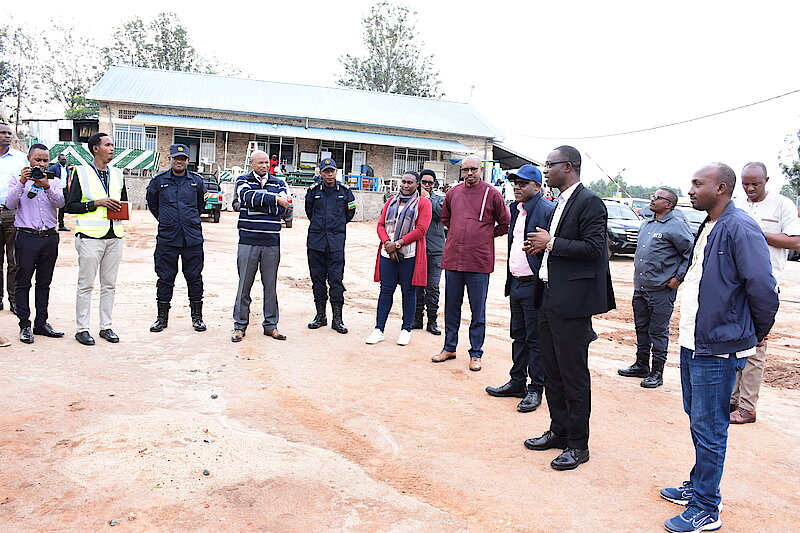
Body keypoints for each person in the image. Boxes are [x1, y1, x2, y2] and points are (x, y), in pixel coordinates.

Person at [659, 163, 778, 533]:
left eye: (698, 184)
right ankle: (699, 486)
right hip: (694, 342)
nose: (690, 190)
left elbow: (762, 286)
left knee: (710, 426)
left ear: (721, 188)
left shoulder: (740, 227)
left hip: (719, 347)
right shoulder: (709, 224)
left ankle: (707, 507)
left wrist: (756, 331)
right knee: (698, 418)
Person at [523, 145, 615, 471]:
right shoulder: (559, 202)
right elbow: (561, 248)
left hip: (573, 304)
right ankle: (559, 430)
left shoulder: (590, 202)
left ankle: (578, 445)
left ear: (568, 167)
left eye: (550, 164)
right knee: (552, 371)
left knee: (573, 375)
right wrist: (541, 248)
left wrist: (550, 243)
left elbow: (594, 249)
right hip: (549, 297)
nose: (545, 169)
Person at [728, 161, 800, 424]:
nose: (749, 188)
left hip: (763, 289)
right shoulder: (737, 204)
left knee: (756, 347)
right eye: (745, 183)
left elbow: (795, 240)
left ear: (766, 180)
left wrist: (757, 234)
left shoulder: (782, 205)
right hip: (735, 286)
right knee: (734, 345)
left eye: (754, 184)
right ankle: (732, 399)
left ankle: (748, 407)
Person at [486, 165, 554, 412]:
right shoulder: (517, 209)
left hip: (535, 285)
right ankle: (517, 382)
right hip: (517, 282)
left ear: (537, 186)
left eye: (523, 183)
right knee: (519, 336)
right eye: (515, 182)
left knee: (536, 340)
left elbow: (550, 249)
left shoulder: (546, 210)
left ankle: (536, 389)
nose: (517, 187)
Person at [432, 155, 510, 371]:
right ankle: (449, 347)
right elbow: (445, 218)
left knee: (478, 309)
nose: (469, 173)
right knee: (451, 307)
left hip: (478, 261)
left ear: (481, 170)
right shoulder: (453, 193)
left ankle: (476, 353)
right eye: (465, 170)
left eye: (473, 169)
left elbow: (505, 223)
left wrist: (484, 235)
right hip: (454, 259)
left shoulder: (492, 194)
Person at [618, 187, 692, 388]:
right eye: (653, 196)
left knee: (658, 331)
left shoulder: (676, 226)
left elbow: (689, 253)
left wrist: (677, 278)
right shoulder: (647, 223)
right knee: (641, 328)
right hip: (641, 287)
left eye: (657, 198)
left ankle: (657, 372)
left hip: (661, 290)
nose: (652, 200)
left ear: (669, 204)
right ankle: (641, 365)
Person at [64, 133, 127, 346]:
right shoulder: (81, 172)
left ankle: (106, 327)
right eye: (107, 145)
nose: (112, 148)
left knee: (109, 285)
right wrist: (96, 203)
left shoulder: (118, 174)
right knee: (86, 285)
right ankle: (82, 329)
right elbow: (70, 206)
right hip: (90, 237)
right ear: (95, 148)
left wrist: (120, 211)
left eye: (112, 144)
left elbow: (123, 202)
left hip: (114, 235)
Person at [6, 144, 65, 343]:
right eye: (37, 159)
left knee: (44, 283)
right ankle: (24, 325)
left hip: (49, 237)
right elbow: (10, 203)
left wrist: (46, 186)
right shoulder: (17, 179)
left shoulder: (54, 181)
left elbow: (60, 203)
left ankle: (41, 323)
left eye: (45, 160)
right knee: (23, 282)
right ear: (29, 160)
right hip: (26, 237)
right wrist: (23, 182)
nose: (41, 164)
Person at [145, 144, 207, 333]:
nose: (179, 161)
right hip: (168, 238)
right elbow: (153, 204)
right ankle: (161, 318)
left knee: (194, 278)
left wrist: (188, 220)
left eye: (183, 158)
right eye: (176, 158)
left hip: (192, 238)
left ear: (188, 160)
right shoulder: (159, 181)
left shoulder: (196, 181)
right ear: (170, 159)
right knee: (165, 278)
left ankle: (197, 318)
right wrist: (167, 220)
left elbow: (200, 206)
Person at [365, 171, 431, 346]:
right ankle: (379, 329)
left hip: (409, 254)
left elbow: (421, 230)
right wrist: (388, 243)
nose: (405, 185)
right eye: (403, 182)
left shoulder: (423, 203)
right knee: (386, 290)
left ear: (417, 184)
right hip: (388, 253)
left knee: (408, 292)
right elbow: (380, 225)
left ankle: (406, 330)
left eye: (410, 182)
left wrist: (398, 244)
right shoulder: (391, 201)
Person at [231, 150, 290, 343]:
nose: (264, 166)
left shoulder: (279, 183)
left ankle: (271, 326)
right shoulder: (242, 180)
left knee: (270, 286)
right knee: (244, 286)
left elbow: (284, 207)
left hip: (271, 242)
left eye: (267, 163)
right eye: (260, 163)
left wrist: (257, 204)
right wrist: (274, 200)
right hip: (248, 241)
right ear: (252, 164)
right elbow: (246, 197)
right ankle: (240, 326)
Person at [305, 157, 356, 334]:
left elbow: (350, 212)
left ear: (336, 172)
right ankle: (320, 316)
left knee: (336, 281)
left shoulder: (345, 192)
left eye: (332, 171)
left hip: (335, 243)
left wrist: (336, 226)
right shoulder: (313, 191)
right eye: (326, 172)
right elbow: (309, 211)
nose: (329, 175)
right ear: (321, 173)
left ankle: (337, 319)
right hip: (316, 243)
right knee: (317, 280)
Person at [412, 169, 445, 335]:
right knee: (417, 286)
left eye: (429, 183)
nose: (426, 185)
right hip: (417, 249)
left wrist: (427, 199)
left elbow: (441, 215)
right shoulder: (412, 199)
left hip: (436, 251)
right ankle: (417, 319)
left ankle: (432, 321)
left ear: (434, 184)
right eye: (423, 182)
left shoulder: (440, 199)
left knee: (432, 287)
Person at [0, 122, 27, 315]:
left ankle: (14, 299)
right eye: (2, 133)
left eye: (9, 133)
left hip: (12, 212)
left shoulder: (20, 159)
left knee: (14, 260)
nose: (7, 136)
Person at [48, 153, 71, 231]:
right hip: (55, 189)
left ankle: (61, 225)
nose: (64, 161)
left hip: (64, 189)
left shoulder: (66, 168)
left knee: (62, 207)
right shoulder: (53, 168)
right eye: (62, 159)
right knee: (52, 206)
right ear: (58, 160)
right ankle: (51, 224)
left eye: (65, 159)